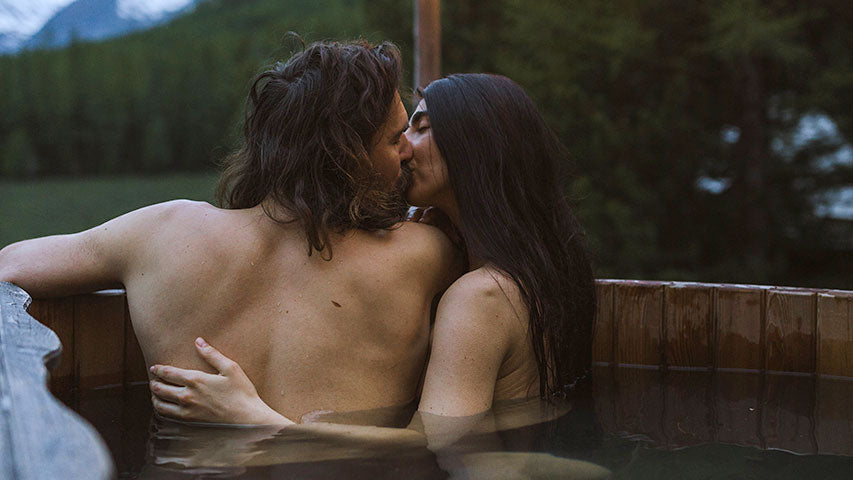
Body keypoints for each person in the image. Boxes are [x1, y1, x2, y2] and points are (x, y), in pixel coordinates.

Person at [0, 40, 462, 422]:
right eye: (393, 138)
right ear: (345, 155)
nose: (407, 151)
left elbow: (10, 264)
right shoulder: (424, 255)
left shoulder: (162, 233)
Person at [148, 73, 596, 427]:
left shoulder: (480, 297)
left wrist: (253, 418)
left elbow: (437, 443)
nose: (402, 150)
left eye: (420, 130)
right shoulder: (532, 269)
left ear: (475, 147)